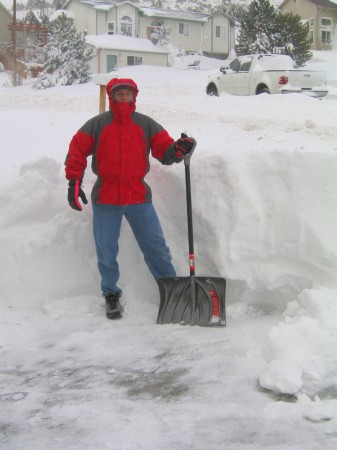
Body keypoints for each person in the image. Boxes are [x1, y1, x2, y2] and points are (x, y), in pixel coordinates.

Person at [65, 77, 195, 320]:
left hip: (138, 197)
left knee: (157, 248)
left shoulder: (145, 124)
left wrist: (177, 150)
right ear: (112, 96)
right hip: (105, 198)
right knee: (106, 251)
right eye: (119, 94)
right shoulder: (98, 124)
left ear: (134, 97)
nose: (124, 98)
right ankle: (111, 295)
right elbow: (77, 149)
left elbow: (164, 151)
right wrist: (74, 180)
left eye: (128, 94)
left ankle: (173, 291)